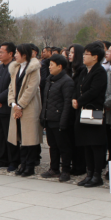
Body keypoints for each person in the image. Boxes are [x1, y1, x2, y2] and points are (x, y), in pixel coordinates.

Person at [73, 42, 108, 188]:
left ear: (95, 57)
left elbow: (94, 91)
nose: (84, 56)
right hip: (82, 110)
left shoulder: (100, 72)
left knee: (95, 144)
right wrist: (75, 99)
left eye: (86, 54)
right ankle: (89, 173)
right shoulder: (84, 71)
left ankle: (97, 175)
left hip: (94, 111)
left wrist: (79, 101)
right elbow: (77, 87)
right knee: (86, 143)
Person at [8, 44, 42, 177]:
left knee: (30, 138)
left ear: (24, 55)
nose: (15, 55)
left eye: (17, 53)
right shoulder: (16, 68)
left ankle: (30, 166)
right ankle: (22, 164)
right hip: (16, 107)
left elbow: (31, 89)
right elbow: (11, 87)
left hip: (29, 107)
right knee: (21, 137)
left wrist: (20, 106)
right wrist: (13, 104)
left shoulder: (34, 68)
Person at [40, 54, 74, 182]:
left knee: (63, 146)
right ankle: (54, 168)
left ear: (60, 66)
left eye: (52, 65)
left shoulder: (67, 81)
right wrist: (43, 116)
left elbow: (67, 103)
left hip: (59, 119)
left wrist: (63, 121)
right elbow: (46, 100)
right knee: (52, 145)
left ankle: (66, 170)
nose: (49, 67)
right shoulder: (50, 80)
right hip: (49, 118)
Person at [0, 42, 19, 171]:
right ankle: (2, 159)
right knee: (0, 135)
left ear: (11, 54)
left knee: (10, 135)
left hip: (8, 107)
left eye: (2, 52)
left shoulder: (15, 68)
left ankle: (13, 161)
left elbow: (12, 87)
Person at [67, 44, 87, 176]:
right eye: (69, 52)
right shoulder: (69, 70)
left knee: (79, 139)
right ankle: (73, 164)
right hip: (69, 108)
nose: (70, 54)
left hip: (78, 107)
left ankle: (80, 165)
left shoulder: (82, 71)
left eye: (73, 52)